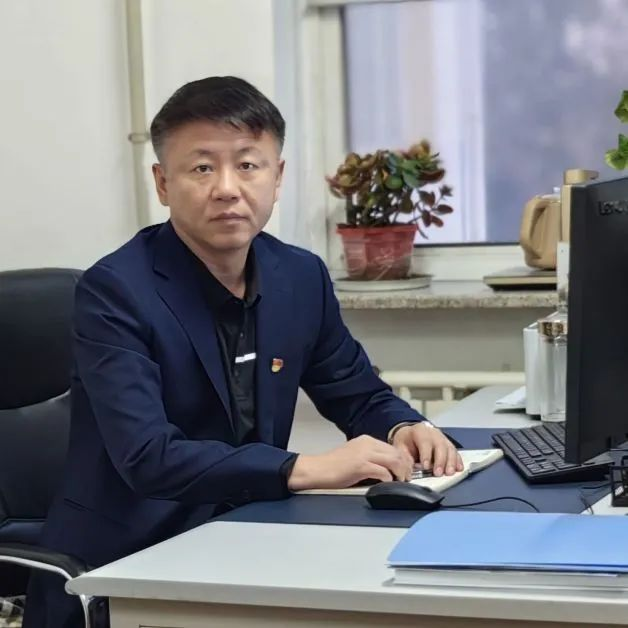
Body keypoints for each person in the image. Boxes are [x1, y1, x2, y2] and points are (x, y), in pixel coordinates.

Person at [23, 76, 462, 627]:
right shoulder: (114, 291)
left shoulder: (299, 275)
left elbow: (355, 391)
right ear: (162, 183)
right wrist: (305, 467)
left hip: (251, 538)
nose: (227, 188)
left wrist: (404, 426)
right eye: (202, 168)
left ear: (278, 177)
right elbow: (148, 457)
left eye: (248, 165)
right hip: (124, 563)